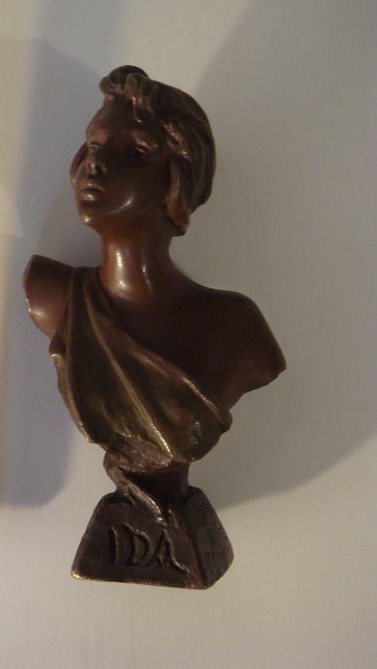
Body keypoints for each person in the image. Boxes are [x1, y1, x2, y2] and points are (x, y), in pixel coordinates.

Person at [23, 66, 286, 585]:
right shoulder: (50, 297)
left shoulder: (237, 331)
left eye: (136, 151)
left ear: (177, 182)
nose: (97, 161)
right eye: (93, 144)